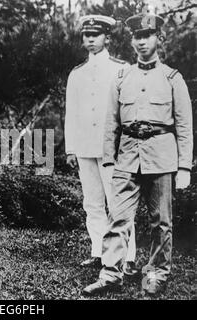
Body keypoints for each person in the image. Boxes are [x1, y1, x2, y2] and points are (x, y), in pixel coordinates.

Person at [83, 13, 193, 296]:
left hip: (162, 156)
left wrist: (184, 168)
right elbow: (111, 122)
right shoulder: (122, 77)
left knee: (161, 222)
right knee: (118, 218)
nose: (142, 41)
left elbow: (184, 126)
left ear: (160, 39)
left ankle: (156, 274)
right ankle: (110, 274)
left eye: (147, 35)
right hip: (127, 157)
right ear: (131, 41)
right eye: (137, 37)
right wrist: (108, 158)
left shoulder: (172, 78)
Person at [65, 14, 137, 273]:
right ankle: (98, 251)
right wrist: (71, 148)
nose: (91, 39)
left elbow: (130, 109)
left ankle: (127, 257)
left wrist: (127, 144)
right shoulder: (77, 74)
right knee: (92, 202)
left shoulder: (122, 68)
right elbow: (71, 113)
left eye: (96, 35)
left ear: (107, 37)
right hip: (85, 146)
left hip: (113, 148)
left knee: (118, 202)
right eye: (87, 35)